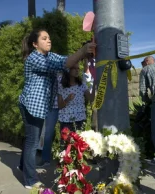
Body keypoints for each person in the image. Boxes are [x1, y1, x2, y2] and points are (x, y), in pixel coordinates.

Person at [18, 29, 96, 189]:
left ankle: (23, 166)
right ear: (34, 44)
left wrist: (85, 54)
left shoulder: (49, 55)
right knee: (33, 142)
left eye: (49, 38)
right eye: (44, 38)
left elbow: (67, 61)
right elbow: (64, 64)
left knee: (31, 140)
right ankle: (30, 180)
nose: (49, 40)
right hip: (31, 105)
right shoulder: (34, 58)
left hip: (40, 107)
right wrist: (82, 50)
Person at [58, 63, 95, 132]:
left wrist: (95, 84)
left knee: (79, 142)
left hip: (80, 119)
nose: (77, 70)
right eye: (74, 68)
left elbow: (91, 98)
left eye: (78, 68)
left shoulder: (82, 85)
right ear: (68, 70)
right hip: (66, 120)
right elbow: (60, 106)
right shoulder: (62, 86)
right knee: (67, 142)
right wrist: (67, 99)